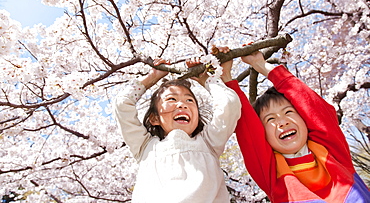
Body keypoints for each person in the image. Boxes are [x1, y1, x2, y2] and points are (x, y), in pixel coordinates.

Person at [224, 51, 370, 202]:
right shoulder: (273, 174)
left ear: (305, 118)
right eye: (270, 119)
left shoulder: (331, 151)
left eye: (288, 112)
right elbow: (249, 132)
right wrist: (227, 78)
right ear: (263, 134)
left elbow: (314, 107)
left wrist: (260, 64)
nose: (282, 122)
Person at [113, 57, 241, 203]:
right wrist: (152, 77)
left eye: (189, 100)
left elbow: (229, 105)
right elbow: (122, 104)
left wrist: (207, 80)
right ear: (154, 118)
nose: (182, 105)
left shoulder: (209, 143)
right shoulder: (145, 147)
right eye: (171, 99)